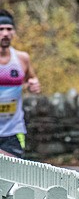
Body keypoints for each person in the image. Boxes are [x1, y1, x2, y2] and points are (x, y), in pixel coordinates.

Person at [0, 9, 40, 158]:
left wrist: (33, 85)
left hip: (14, 131)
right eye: (1, 29)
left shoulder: (22, 59)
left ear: (14, 32)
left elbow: (32, 80)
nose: (5, 33)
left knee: (13, 170)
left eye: (9, 29)